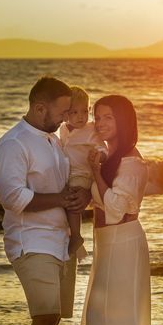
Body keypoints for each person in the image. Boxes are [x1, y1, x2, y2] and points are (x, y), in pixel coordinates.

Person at [0, 77, 90, 325]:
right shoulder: (13, 144)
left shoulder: (53, 140)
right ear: (39, 107)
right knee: (45, 315)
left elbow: (64, 185)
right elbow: (13, 198)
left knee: (52, 319)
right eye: (62, 111)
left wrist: (78, 195)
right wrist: (61, 197)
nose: (66, 118)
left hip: (60, 239)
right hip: (29, 240)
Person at [71, 95, 153, 325]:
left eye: (107, 117)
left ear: (123, 121)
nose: (100, 123)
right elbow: (102, 201)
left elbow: (117, 208)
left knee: (114, 316)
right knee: (102, 315)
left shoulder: (131, 160)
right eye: (97, 116)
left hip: (123, 241)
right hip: (107, 243)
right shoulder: (110, 156)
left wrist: (94, 174)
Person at [58, 86, 106, 259]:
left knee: (73, 201)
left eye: (85, 111)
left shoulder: (90, 129)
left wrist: (101, 156)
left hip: (83, 174)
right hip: (67, 173)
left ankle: (76, 237)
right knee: (62, 203)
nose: (81, 116)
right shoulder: (63, 129)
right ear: (65, 114)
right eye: (75, 112)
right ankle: (72, 237)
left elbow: (102, 147)